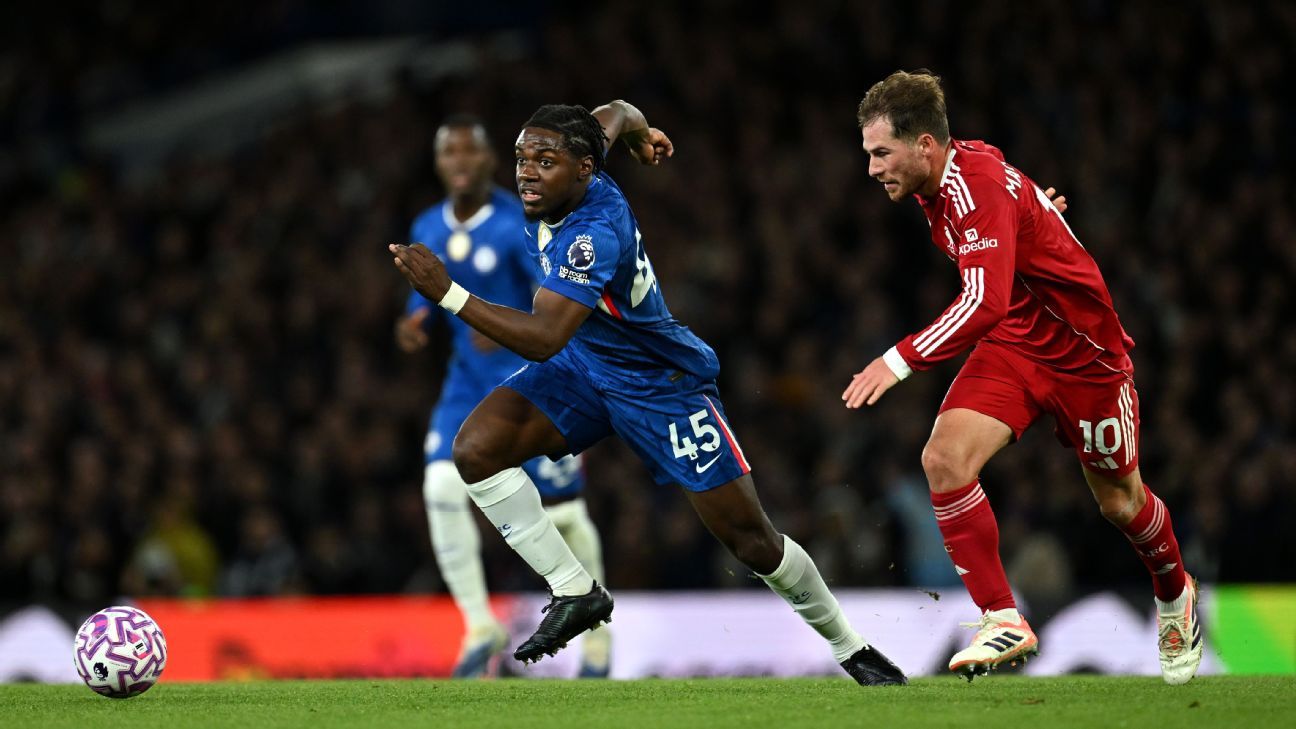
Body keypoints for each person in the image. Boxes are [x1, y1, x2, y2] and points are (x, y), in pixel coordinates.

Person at [390, 100, 906, 686]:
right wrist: (639, 131)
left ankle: (851, 648)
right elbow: (616, 111)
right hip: (586, 367)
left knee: (752, 542)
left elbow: (543, 337)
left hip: (659, 385)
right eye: (522, 158)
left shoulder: (591, 235)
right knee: (476, 450)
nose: (527, 173)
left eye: (544, 161)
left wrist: (448, 293)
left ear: (583, 170)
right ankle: (575, 591)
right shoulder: (581, 160)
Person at [842, 70, 1202, 685]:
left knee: (1121, 502)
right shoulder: (951, 175)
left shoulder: (972, 188)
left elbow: (982, 303)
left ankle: (1175, 595)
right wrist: (1034, 218)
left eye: (881, 153)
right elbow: (1002, 197)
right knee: (944, 460)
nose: (872, 168)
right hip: (1016, 341)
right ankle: (1002, 616)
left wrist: (896, 360)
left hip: (1086, 357)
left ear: (925, 144)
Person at [397, 115, 610, 679]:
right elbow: (422, 298)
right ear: (438, 163)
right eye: (450, 153)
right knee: (440, 488)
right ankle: (479, 626)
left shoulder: (519, 220)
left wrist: (499, 323)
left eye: (470, 152)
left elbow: (554, 295)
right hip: (465, 385)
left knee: (565, 514)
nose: (460, 162)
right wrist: (413, 323)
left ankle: (598, 639)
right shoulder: (427, 224)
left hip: (532, 380)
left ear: (491, 160)